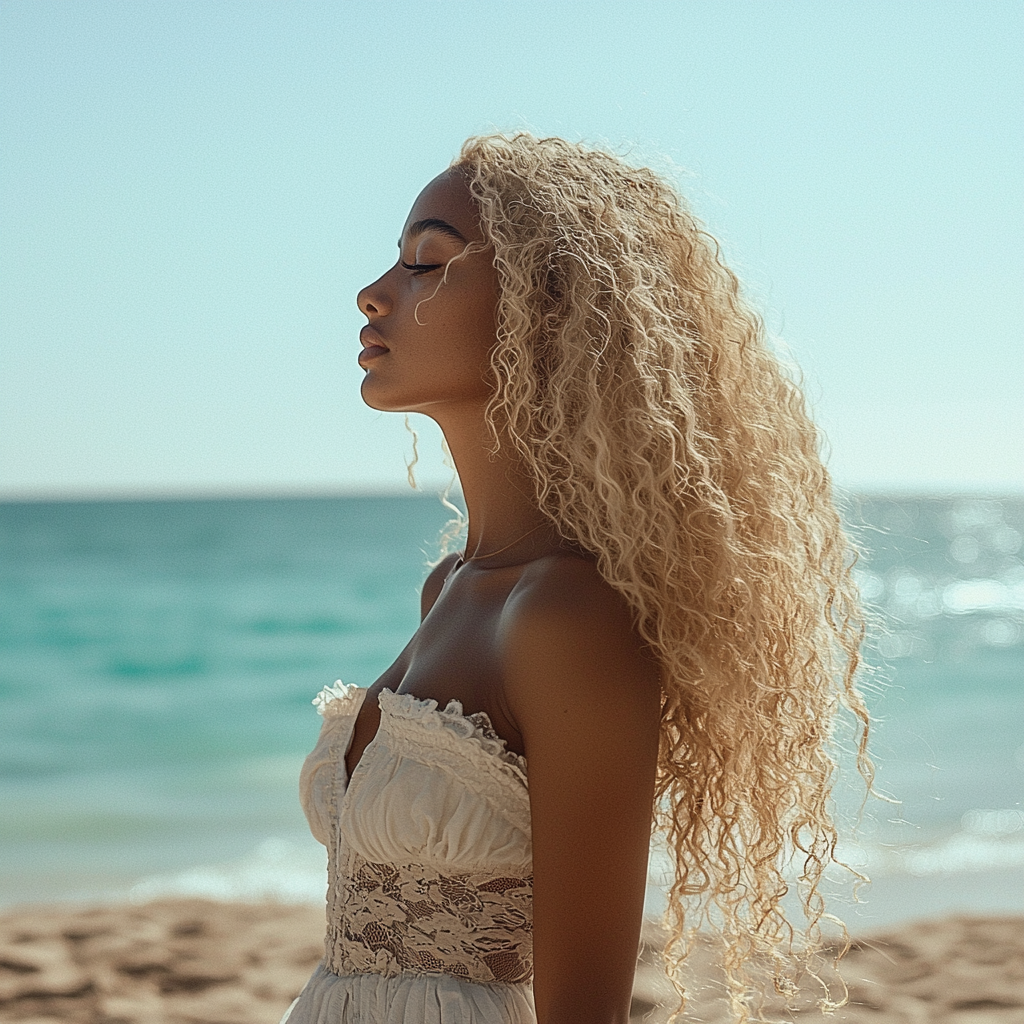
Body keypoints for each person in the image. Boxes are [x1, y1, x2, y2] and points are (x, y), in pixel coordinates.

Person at [283, 134, 871, 1024]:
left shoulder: (566, 613)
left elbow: (584, 1006)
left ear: (545, 310)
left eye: (427, 262)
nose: (375, 292)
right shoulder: (449, 589)